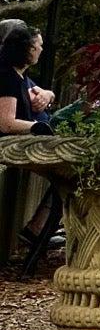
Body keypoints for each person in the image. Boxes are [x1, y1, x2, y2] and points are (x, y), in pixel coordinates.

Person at [1, 22, 58, 246]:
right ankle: (37, 229)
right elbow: (5, 123)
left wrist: (46, 94)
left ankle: (39, 227)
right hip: (10, 144)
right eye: (39, 46)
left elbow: (43, 94)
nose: (42, 50)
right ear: (28, 49)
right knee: (71, 176)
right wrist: (36, 127)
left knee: (69, 176)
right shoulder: (6, 77)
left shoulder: (19, 76)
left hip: (23, 141)